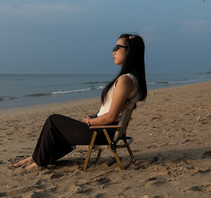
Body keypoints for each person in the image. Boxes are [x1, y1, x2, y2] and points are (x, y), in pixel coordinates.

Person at [10, 34, 147, 169]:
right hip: (104, 130)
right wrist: (94, 116)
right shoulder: (131, 79)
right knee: (59, 130)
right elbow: (112, 111)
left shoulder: (125, 80)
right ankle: (36, 158)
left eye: (118, 47)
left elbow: (111, 116)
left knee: (53, 121)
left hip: (101, 134)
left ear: (130, 51)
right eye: (114, 47)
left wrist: (89, 122)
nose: (114, 51)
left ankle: (37, 160)